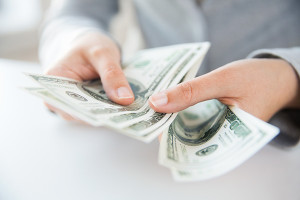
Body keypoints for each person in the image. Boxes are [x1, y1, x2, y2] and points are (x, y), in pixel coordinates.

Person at [39, 0, 300, 146]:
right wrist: (76, 39)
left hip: (281, 146)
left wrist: (290, 78)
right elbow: (72, 13)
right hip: (143, 147)